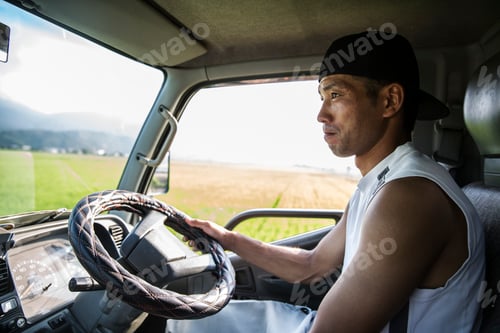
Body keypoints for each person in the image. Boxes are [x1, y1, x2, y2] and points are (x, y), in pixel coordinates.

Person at [167, 30, 485, 332]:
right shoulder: (381, 184)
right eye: (322, 96)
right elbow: (312, 265)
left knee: (177, 320)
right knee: (181, 317)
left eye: (335, 94)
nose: (321, 114)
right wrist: (227, 238)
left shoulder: (410, 197)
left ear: (389, 101)